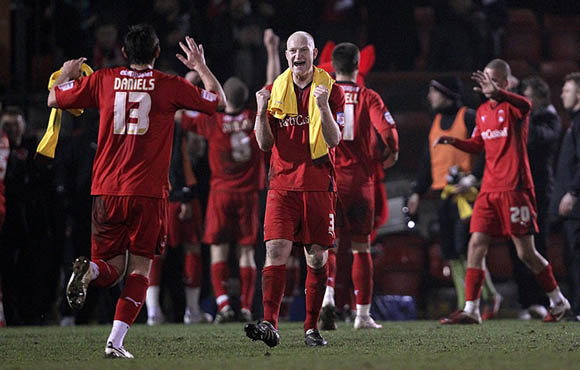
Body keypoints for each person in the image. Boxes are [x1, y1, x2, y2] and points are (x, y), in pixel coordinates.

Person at [48, 24, 226, 358]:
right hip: (148, 192)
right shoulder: (168, 85)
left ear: (125, 53)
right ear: (157, 53)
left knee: (109, 266)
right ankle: (115, 341)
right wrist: (199, 66)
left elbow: (53, 98)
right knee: (139, 269)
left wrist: (65, 73)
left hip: (106, 190)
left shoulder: (104, 79)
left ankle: (89, 272)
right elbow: (219, 101)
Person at [436, 59, 570, 324]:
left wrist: (500, 93)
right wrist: (454, 141)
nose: (488, 84)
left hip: (514, 188)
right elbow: (478, 144)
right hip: (488, 189)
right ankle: (472, 309)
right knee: (476, 244)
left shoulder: (516, 107)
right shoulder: (483, 111)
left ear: (506, 83)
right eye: (486, 78)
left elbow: (527, 105)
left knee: (525, 253)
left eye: (495, 80)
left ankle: (558, 301)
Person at [244, 31, 344, 347]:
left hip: (317, 186)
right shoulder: (274, 92)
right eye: (291, 50)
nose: (296, 55)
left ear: (313, 53)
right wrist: (260, 112)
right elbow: (263, 143)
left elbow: (334, 140)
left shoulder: (331, 90)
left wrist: (324, 107)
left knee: (316, 259)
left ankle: (311, 328)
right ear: (286, 54)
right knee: (275, 251)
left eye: (302, 50)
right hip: (282, 186)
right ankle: (270, 324)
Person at [318, 42, 399, 331]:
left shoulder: (323, 96)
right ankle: (362, 315)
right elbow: (389, 132)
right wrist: (393, 153)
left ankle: (327, 299)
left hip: (329, 180)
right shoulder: (368, 96)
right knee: (362, 248)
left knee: (328, 244)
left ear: (333, 66)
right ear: (358, 64)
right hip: (360, 183)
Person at [407, 76, 502, 318]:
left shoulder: (468, 117)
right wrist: (417, 191)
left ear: (446, 93)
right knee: (451, 251)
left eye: (434, 92)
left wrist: (473, 177)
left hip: (468, 196)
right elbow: (428, 160)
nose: (430, 97)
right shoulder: (436, 121)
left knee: (468, 248)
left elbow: (487, 148)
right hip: (443, 194)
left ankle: (481, 298)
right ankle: (472, 300)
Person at [510, 76, 561, 320]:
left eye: (528, 96)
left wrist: (523, 114)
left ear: (540, 98)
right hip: (519, 189)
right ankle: (526, 301)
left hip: (540, 192)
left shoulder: (551, 120)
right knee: (518, 247)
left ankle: (544, 300)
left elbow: (532, 140)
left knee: (537, 246)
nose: (525, 100)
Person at [552, 72, 580, 319]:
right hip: (573, 206)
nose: (562, 95)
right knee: (571, 256)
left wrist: (572, 192)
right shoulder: (573, 122)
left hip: (577, 206)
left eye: (567, 90)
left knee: (576, 257)